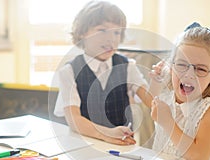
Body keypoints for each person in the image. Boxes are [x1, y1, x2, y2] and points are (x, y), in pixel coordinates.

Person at [54, 1, 158, 145]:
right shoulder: (69, 71)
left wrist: (157, 81)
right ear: (82, 33)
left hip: (123, 147)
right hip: (84, 145)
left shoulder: (127, 66)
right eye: (102, 30)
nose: (111, 38)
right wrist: (106, 134)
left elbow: (151, 100)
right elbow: (74, 119)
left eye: (117, 32)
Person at [151, 22, 210, 160]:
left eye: (200, 69)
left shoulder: (209, 109)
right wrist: (155, 82)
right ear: (171, 66)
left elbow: (198, 158)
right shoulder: (168, 98)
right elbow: (151, 104)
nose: (189, 75)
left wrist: (168, 122)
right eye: (181, 64)